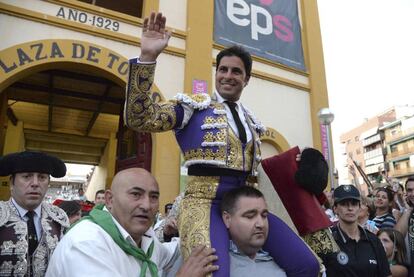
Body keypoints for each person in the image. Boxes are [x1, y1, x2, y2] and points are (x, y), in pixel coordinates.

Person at [124, 11, 319, 277]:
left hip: (245, 203)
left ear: (246, 79)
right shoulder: (194, 107)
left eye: (236, 71)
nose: (228, 75)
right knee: (214, 273)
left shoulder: (252, 121)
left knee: (307, 264)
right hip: (202, 203)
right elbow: (140, 118)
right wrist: (148, 57)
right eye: (223, 69)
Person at [46, 167, 218, 277]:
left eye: (154, 197)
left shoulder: (144, 240)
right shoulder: (86, 242)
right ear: (109, 199)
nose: (146, 205)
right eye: (136, 194)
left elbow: (171, 253)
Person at [0, 151, 69, 276]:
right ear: (11, 183)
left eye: (42, 177)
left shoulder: (58, 218)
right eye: (27, 176)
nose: (35, 183)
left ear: (48, 183)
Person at [321, 184, 391, 277]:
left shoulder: (373, 240)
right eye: (344, 204)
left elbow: (386, 274)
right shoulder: (327, 241)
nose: (350, 208)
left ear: (359, 207)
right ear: (335, 209)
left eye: (354, 204)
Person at [221, 186, 287, 276]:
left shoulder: (284, 263)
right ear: (227, 219)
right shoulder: (218, 265)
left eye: (264, 216)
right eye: (250, 216)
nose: (261, 224)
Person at [394, 177, 414, 272]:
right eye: (410, 190)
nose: (413, 194)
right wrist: (408, 210)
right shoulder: (406, 212)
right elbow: (397, 237)